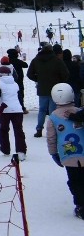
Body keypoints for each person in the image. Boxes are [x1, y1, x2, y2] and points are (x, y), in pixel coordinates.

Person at [45, 83, 84, 218]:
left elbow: (51, 138)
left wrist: (53, 153)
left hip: (68, 155)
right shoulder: (80, 112)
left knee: (74, 180)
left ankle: (80, 205)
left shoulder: (53, 117)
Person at [28, 43, 69, 137]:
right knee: (52, 111)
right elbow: (66, 74)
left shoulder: (36, 60)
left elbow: (30, 74)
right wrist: (59, 82)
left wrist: (38, 79)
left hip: (42, 89)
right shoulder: (57, 60)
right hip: (55, 89)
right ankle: (53, 130)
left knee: (42, 110)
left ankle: (39, 129)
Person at [0, 65, 26, 161]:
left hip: (5, 110)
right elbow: (19, 96)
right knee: (18, 130)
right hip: (17, 109)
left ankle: (5, 149)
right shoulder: (15, 83)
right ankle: (21, 151)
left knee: (4, 130)